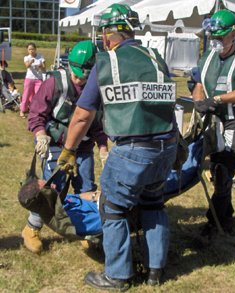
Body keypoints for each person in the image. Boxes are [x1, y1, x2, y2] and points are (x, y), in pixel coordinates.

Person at [57, 3, 178, 291]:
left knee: (113, 209)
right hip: (166, 146)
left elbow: (83, 114)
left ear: (108, 35)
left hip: (133, 150)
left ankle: (118, 276)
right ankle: (155, 271)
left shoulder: (107, 62)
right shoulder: (156, 58)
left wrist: (69, 150)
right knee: (153, 205)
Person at [22, 40, 109, 254]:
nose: (78, 79)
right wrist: (40, 135)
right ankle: (31, 228)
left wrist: (104, 148)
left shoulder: (99, 87)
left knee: (86, 189)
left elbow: (98, 123)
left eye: (84, 76)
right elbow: (36, 114)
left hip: (85, 148)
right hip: (56, 146)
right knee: (52, 190)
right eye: (76, 73)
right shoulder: (54, 83)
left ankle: (85, 229)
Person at [192, 10, 235, 237]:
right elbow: (199, 85)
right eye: (212, 37)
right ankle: (227, 216)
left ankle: (214, 224)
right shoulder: (207, 57)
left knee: (224, 170)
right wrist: (199, 102)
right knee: (218, 170)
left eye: (220, 38)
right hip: (215, 122)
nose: (215, 42)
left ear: (233, 33)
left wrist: (219, 99)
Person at [20, 42, 46, 118]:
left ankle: (37, 111)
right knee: (26, 95)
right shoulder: (26, 57)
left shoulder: (40, 56)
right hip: (29, 79)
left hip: (38, 79)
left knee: (39, 96)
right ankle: (22, 110)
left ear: (35, 49)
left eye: (32, 49)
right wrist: (31, 61)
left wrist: (41, 66)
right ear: (27, 50)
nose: (31, 51)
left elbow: (44, 68)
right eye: (29, 49)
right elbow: (27, 66)